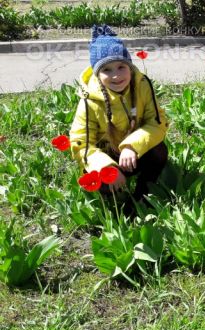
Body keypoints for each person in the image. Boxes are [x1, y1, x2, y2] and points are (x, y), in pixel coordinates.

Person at [69, 25, 169, 201]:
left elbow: (157, 122)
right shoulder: (89, 100)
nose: (116, 75)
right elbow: (81, 144)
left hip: (133, 152)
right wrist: (107, 167)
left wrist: (131, 146)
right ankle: (118, 206)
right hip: (105, 155)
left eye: (121, 66)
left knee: (159, 151)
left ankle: (143, 196)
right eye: (107, 70)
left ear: (130, 67)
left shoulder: (142, 86)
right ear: (97, 74)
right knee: (104, 181)